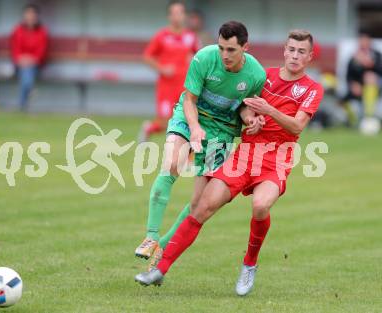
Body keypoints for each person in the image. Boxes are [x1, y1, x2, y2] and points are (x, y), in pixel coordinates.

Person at [135, 30, 324, 297]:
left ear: (309, 56)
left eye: (301, 52)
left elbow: (297, 126)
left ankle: (249, 264)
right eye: (291, 49)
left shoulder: (313, 89)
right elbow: (243, 107)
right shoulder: (262, 77)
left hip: (276, 159)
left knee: (260, 205)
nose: (295, 56)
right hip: (245, 155)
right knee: (201, 207)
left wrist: (268, 111)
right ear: (284, 50)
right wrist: (252, 120)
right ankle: (159, 269)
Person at [134, 21, 266, 271]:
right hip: (190, 116)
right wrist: (194, 127)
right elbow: (189, 100)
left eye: (231, 50)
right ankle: (150, 235)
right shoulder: (204, 58)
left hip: (222, 130)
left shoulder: (256, 75)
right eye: (221, 48)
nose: (224, 55)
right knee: (172, 162)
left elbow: (247, 105)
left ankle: (161, 246)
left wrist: (250, 118)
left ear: (245, 48)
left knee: (199, 203)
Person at [138, 1, 198, 141]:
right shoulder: (162, 36)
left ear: (184, 16)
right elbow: (147, 56)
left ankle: (189, 157)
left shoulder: (191, 36)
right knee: (164, 122)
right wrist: (162, 68)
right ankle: (148, 128)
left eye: (180, 13)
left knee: (188, 119)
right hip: (166, 86)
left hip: (185, 85)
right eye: (174, 13)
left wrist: (193, 62)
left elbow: (199, 56)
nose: (177, 16)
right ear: (169, 16)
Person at [10, 4, 48, 111]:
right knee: (26, 73)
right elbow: (15, 49)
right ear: (24, 16)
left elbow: (41, 51)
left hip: (36, 66)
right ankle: (28, 96)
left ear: (37, 16)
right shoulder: (18, 30)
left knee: (27, 72)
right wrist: (21, 59)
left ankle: (22, 105)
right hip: (19, 65)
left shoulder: (42, 32)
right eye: (28, 14)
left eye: (33, 14)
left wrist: (32, 60)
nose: (30, 17)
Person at [344, 32, 382, 123]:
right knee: (344, 101)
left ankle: (369, 116)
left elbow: (380, 71)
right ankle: (354, 122)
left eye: (365, 40)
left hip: (376, 87)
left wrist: (369, 64)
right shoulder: (354, 57)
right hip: (358, 87)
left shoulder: (377, 55)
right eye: (361, 41)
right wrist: (353, 84)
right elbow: (349, 75)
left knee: (370, 77)